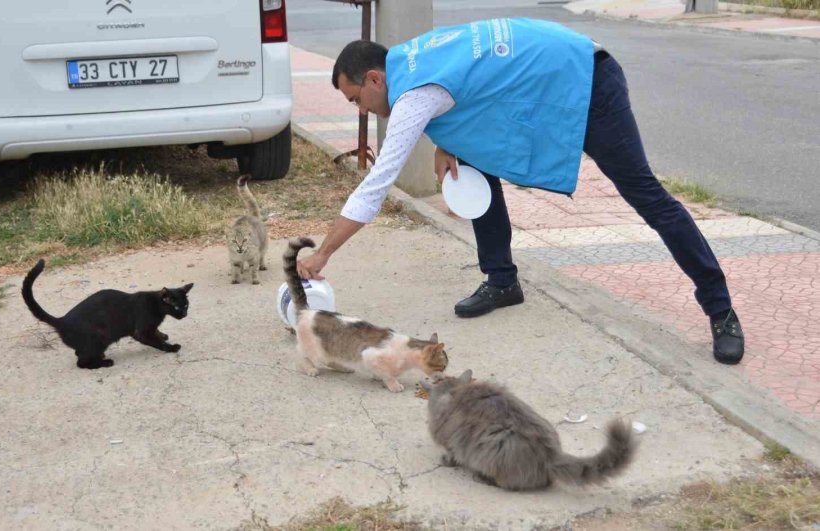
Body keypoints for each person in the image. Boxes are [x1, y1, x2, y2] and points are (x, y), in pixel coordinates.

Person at [295, 18, 744, 364]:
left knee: (646, 195)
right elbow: (475, 77)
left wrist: (322, 255)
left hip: (588, 81)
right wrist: (449, 142)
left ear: (374, 78)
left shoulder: (413, 94)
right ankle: (502, 281)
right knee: (471, 158)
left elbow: (376, 185)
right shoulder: (411, 58)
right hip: (547, 83)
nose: (361, 109)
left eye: (356, 99)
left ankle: (720, 308)